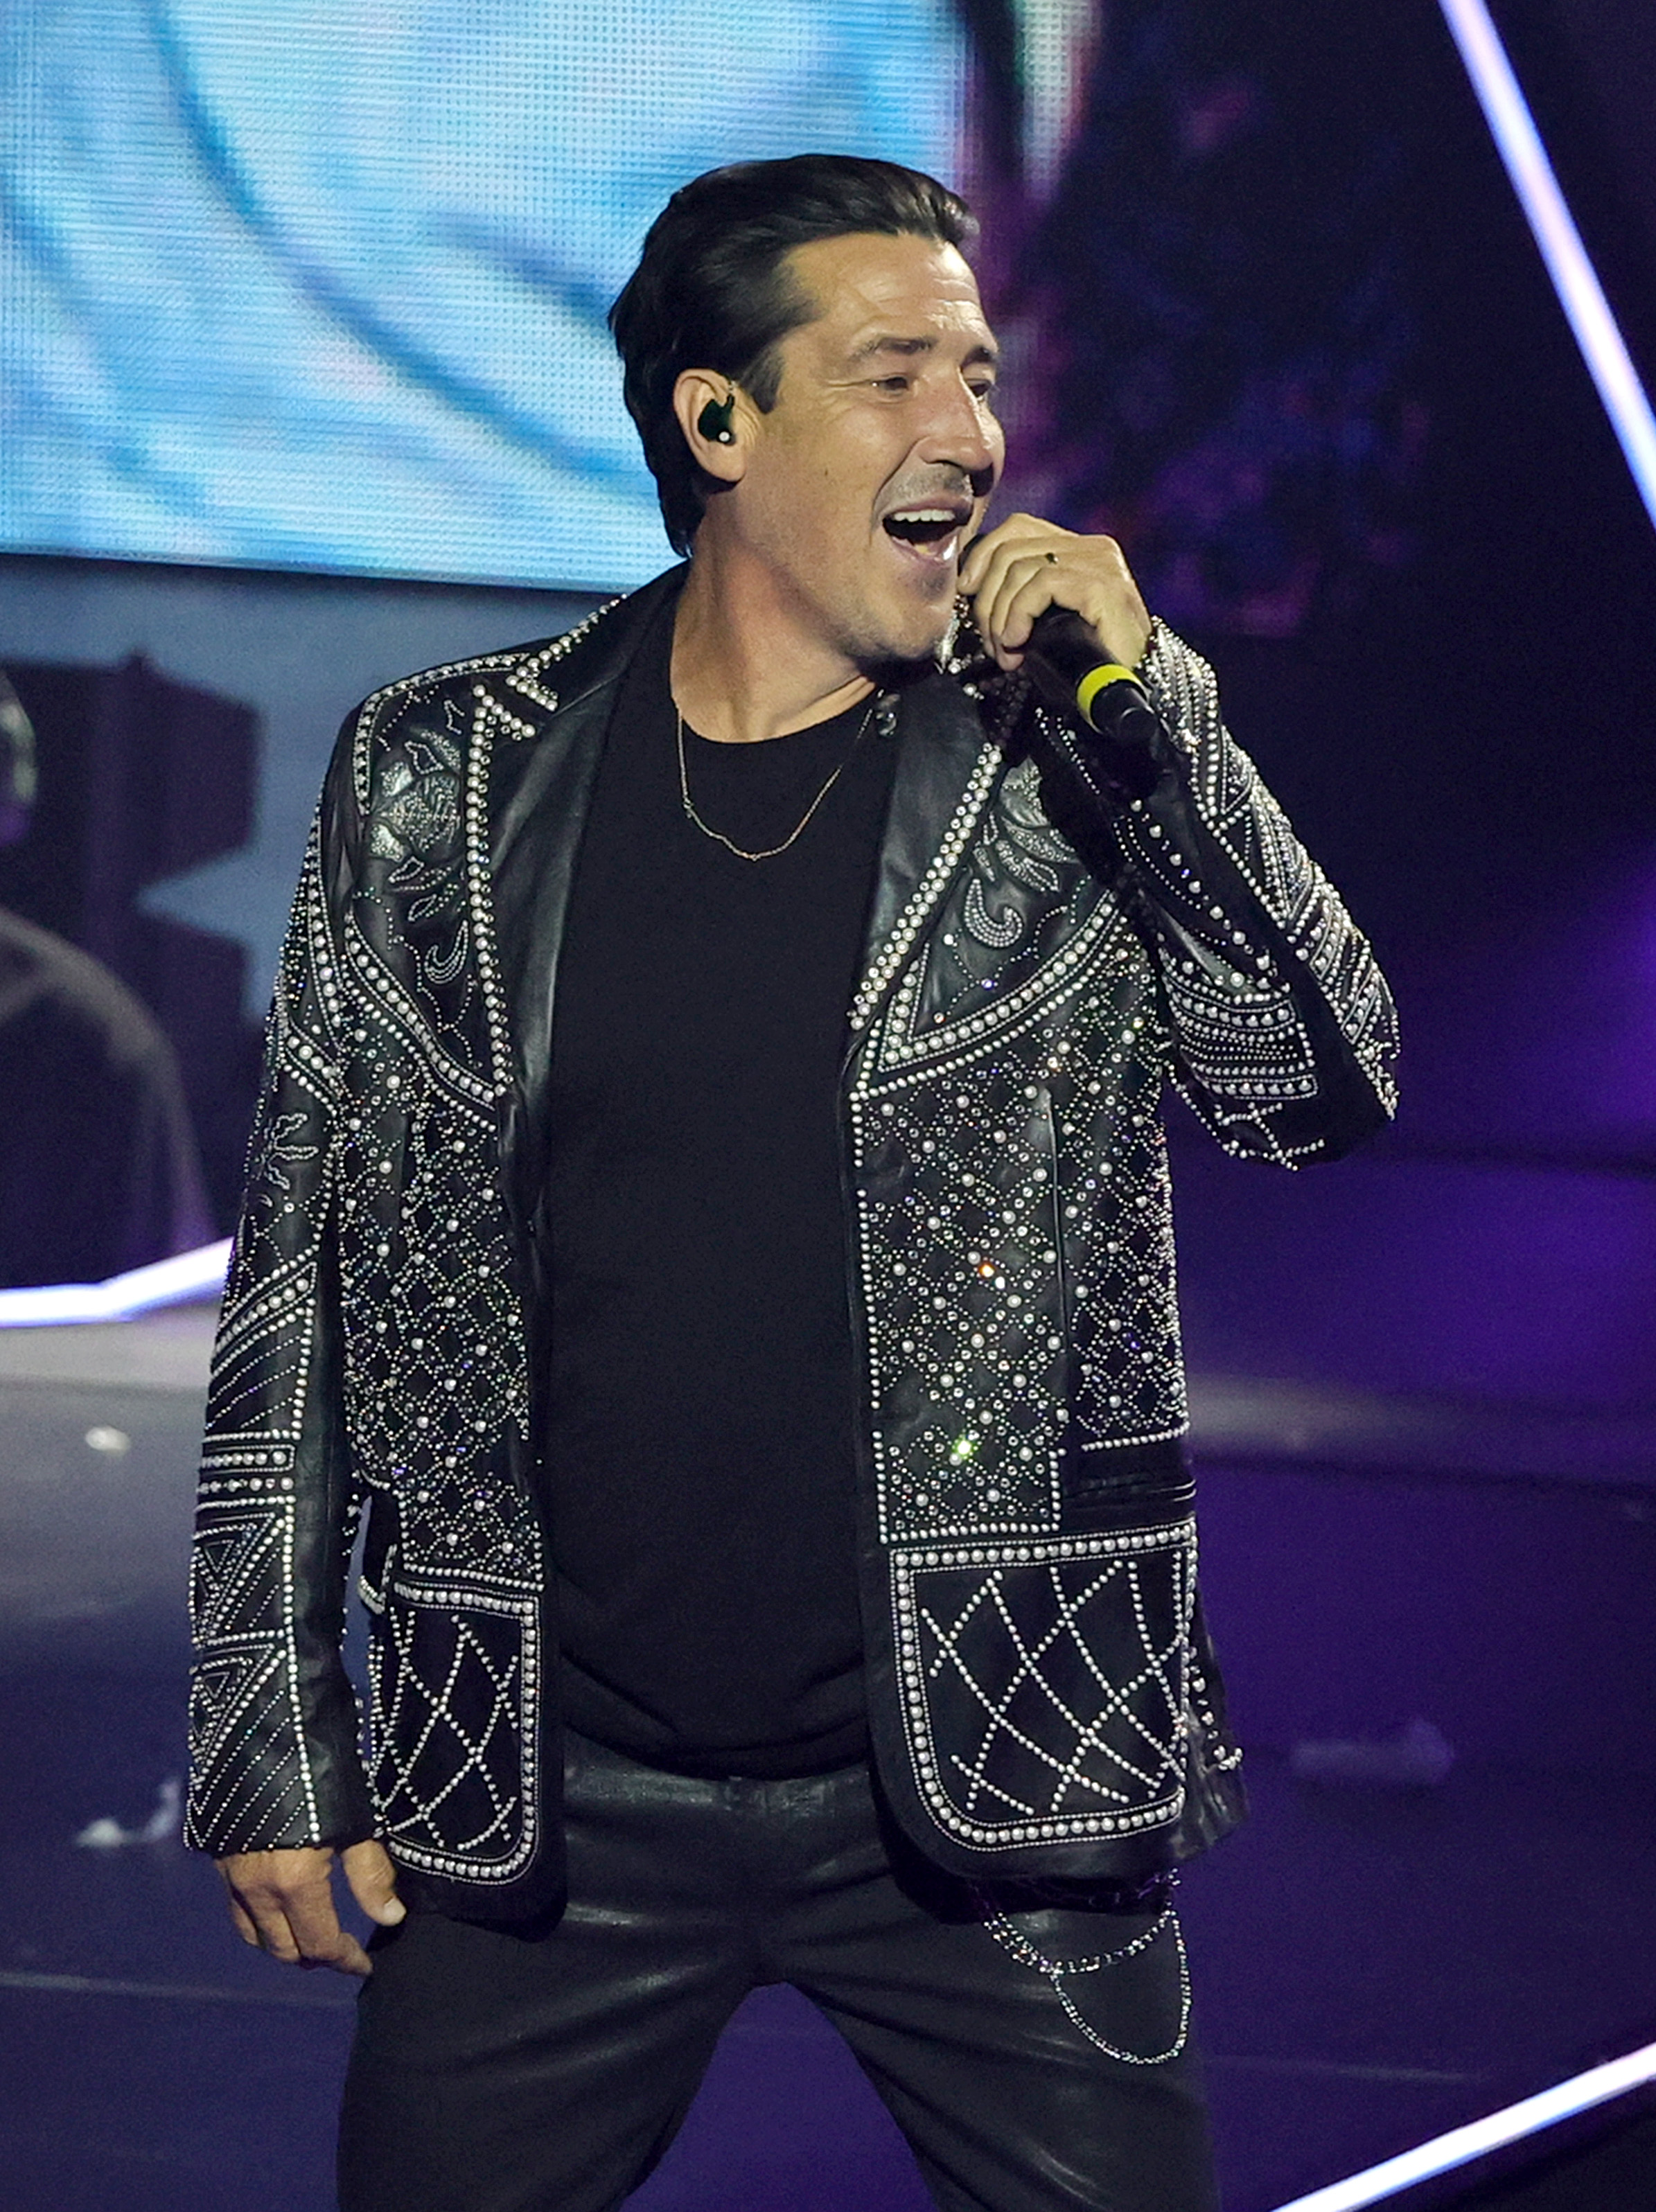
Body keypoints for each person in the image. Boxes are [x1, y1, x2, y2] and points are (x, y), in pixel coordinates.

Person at [186, 155, 1396, 2212]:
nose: (969, 432)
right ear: (717, 420)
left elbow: (1316, 1092)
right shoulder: (440, 773)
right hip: (545, 1785)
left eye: (982, 375)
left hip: (996, 1776)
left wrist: (1162, 721)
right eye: (893, 372)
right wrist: (270, 1734)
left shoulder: (1065, 766)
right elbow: (300, 1271)